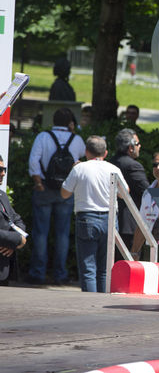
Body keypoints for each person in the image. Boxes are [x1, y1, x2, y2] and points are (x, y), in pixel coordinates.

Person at [61, 136, 128, 292]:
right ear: (105, 153)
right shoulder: (113, 168)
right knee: (105, 269)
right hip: (110, 219)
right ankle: (102, 301)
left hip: (87, 218)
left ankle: (89, 304)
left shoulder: (79, 168)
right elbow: (125, 193)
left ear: (86, 151)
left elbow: (64, 193)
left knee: (88, 269)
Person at [27, 108, 85, 285]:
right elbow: (82, 160)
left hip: (44, 188)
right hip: (65, 191)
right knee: (62, 234)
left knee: (40, 233)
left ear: (53, 120)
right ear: (70, 123)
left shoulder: (43, 137)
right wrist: (73, 132)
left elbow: (33, 162)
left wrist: (38, 182)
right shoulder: (76, 140)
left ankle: (38, 273)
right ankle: (60, 274)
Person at [109, 128, 149, 253]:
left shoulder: (110, 162)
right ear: (131, 147)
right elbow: (146, 192)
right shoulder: (133, 166)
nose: (140, 146)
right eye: (137, 144)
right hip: (129, 223)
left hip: (112, 219)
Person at [131, 151, 159, 258]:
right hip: (150, 247)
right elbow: (142, 224)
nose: (158, 168)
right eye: (155, 165)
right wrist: (135, 251)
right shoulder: (147, 193)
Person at [0, 155, 27, 286]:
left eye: (4, 169)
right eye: (0, 169)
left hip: (4, 268)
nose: (3, 173)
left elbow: (17, 219)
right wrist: (17, 240)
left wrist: (17, 240)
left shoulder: (2, 195)